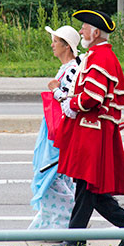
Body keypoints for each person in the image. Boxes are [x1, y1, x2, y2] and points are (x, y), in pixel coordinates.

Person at [51, 10, 124, 246]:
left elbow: (92, 97)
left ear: (96, 32)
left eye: (84, 27)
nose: (81, 31)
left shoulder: (100, 58)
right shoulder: (98, 55)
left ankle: (76, 240)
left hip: (92, 130)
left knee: (87, 184)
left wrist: (68, 101)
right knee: (88, 186)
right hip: (90, 129)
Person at [28, 25, 81, 231]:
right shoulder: (68, 68)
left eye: (56, 41)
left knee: (52, 176)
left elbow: (68, 102)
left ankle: (61, 224)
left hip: (60, 131)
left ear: (67, 46)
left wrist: (55, 90)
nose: (52, 45)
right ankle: (54, 223)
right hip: (55, 128)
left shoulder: (71, 70)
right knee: (59, 175)